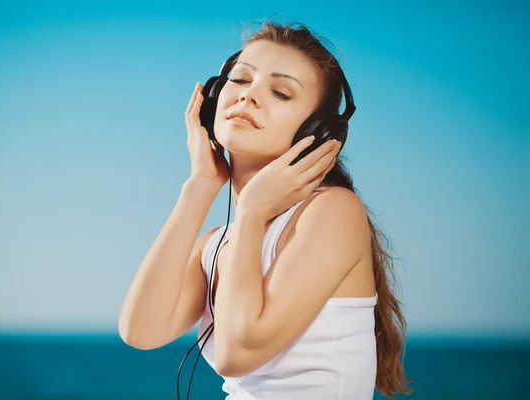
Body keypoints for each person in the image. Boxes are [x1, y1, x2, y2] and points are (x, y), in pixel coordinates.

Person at [118, 20, 412, 400]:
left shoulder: (332, 213)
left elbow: (237, 354)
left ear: (318, 131)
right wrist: (200, 186)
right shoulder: (220, 242)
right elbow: (141, 330)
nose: (248, 97)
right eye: (240, 80)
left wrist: (253, 209)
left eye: (280, 92)